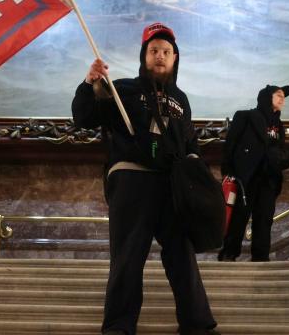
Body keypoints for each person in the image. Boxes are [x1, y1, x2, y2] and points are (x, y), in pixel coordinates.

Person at [72, 23, 219, 335]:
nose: (160, 56)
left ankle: (198, 326)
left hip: (171, 185)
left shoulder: (182, 99)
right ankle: (118, 328)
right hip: (132, 181)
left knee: (182, 256)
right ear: (144, 56)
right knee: (127, 257)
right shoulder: (122, 89)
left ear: (176, 58)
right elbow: (83, 118)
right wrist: (90, 83)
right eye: (154, 51)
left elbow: (190, 144)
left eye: (166, 52)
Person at [218, 85, 289, 262]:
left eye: (284, 97)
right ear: (267, 97)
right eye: (278, 95)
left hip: (268, 179)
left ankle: (260, 258)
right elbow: (230, 145)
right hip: (246, 178)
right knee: (239, 217)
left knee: (265, 219)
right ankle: (229, 254)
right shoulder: (245, 116)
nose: (282, 99)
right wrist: (228, 172)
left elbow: (279, 150)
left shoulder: (279, 126)